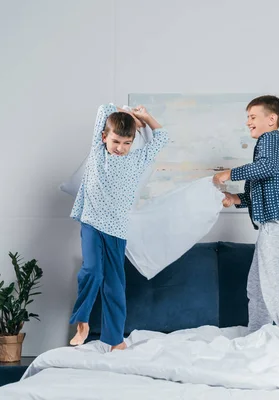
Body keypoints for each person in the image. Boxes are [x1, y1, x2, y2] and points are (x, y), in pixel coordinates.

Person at [69, 103, 168, 349]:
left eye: (127, 143)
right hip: (92, 222)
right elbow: (104, 108)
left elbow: (163, 137)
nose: (121, 148)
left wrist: (146, 116)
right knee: (92, 271)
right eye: (116, 141)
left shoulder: (137, 159)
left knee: (114, 284)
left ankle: (114, 339)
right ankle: (82, 321)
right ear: (104, 137)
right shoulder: (97, 152)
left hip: (117, 229)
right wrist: (131, 115)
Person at [214, 95, 279, 333]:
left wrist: (229, 173)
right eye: (248, 118)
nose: (248, 122)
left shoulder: (270, 140)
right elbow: (264, 182)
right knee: (256, 288)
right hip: (273, 226)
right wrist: (236, 199)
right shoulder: (269, 147)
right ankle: (258, 336)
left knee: (274, 288)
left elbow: (266, 168)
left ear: (272, 119)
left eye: (253, 117)